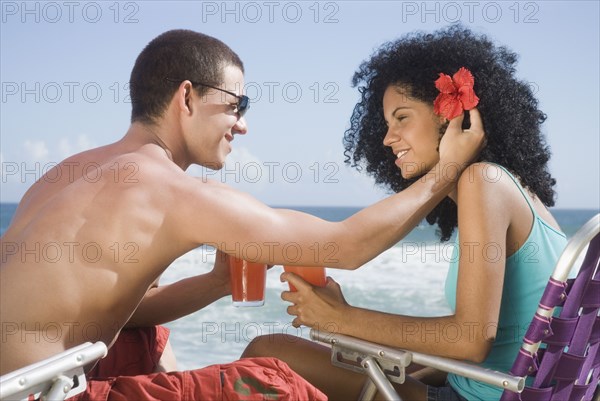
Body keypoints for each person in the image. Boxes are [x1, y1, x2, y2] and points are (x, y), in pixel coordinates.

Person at [0, 29, 484, 400]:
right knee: (274, 382)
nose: (244, 124)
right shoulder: (169, 188)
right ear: (186, 97)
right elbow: (348, 246)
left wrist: (216, 282)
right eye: (235, 105)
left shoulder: (70, 172)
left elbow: (119, 307)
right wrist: (447, 169)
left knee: (142, 334)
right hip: (43, 393)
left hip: (21, 382)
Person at [242, 25, 567, 401]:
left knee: (268, 354)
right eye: (385, 124)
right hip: (481, 385)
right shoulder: (508, 190)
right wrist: (348, 324)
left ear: (451, 116)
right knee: (323, 359)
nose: (386, 138)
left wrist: (340, 319)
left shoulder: (483, 182)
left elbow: (472, 339)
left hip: (475, 396)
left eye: (402, 118)